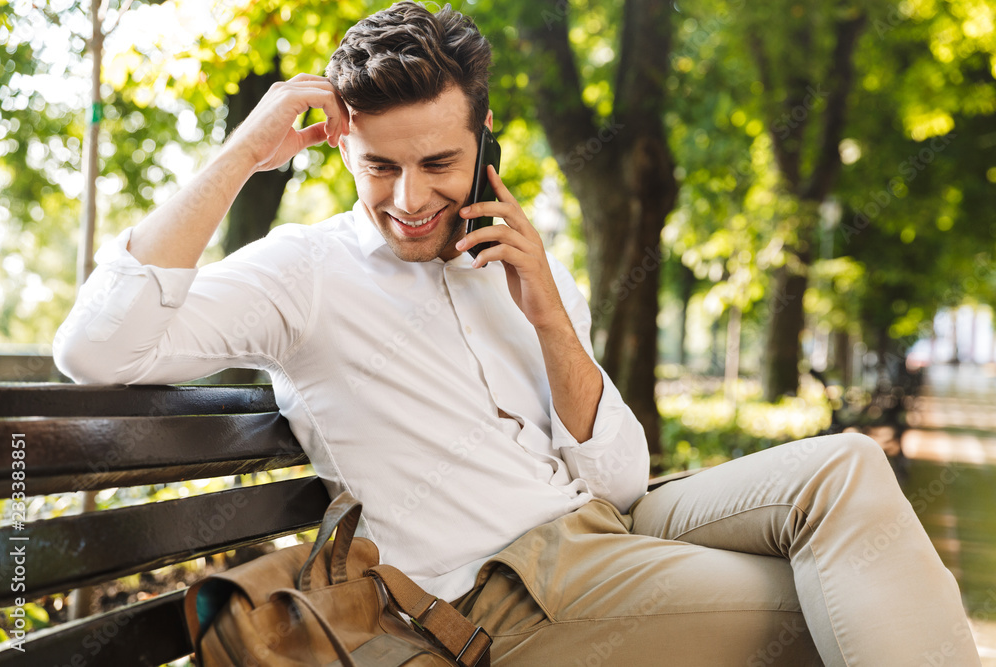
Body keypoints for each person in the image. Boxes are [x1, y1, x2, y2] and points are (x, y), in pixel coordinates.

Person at [53, 2, 981, 665]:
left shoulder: (522, 256)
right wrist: (245, 150)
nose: (409, 201)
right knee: (849, 610)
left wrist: (546, 314)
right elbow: (96, 347)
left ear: (485, 137)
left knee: (848, 466)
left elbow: (617, 477)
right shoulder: (304, 272)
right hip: (501, 594)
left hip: (601, 525)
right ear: (340, 145)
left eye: (439, 162)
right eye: (379, 166)